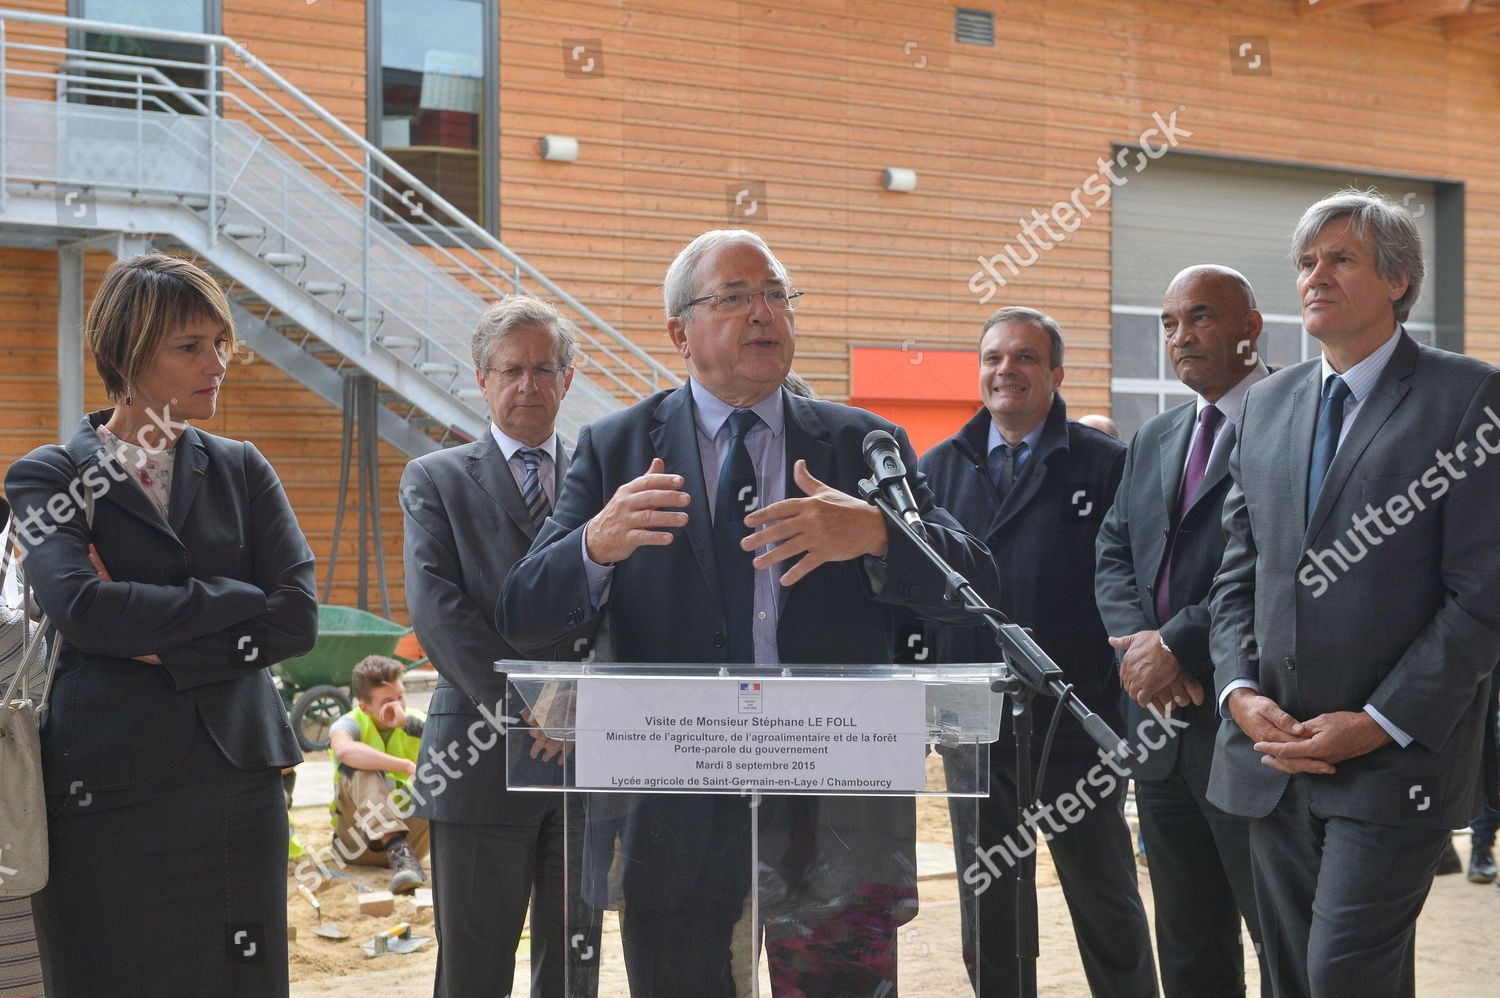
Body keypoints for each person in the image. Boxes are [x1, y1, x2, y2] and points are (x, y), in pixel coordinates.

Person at [498, 229, 995, 998]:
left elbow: (977, 584)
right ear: (679, 332)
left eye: (776, 296)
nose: (763, 313)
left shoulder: (866, 443)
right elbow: (522, 613)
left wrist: (876, 535)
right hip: (674, 814)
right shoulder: (617, 447)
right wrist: (595, 545)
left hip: (834, 809)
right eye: (733, 298)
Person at [1209, 189, 1500, 998]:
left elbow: (1482, 597)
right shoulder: (1265, 404)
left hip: (1393, 762)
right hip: (1275, 754)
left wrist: (1375, 724)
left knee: (1342, 977)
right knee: (1295, 977)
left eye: (1341, 259)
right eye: (1306, 262)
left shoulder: (1469, 398)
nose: (1315, 276)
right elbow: (1237, 572)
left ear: (1399, 280)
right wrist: (1236, 690)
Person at [5, 253, 316, 995]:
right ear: (128, 354)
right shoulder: (49, 477)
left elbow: (297, 617)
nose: (217, 362)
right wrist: (235, 596)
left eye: (220, 341)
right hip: (102, 794)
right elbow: (80, 609)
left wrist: (150, 639)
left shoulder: (244, 467)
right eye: (190, 346)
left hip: (237, 783)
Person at [920, 306, 1156, 998]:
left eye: (1024, 358)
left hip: (1075, 725)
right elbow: (921, 599)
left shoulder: (1108, 466)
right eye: (994, 358)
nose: (1006, 371)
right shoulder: (937, 470)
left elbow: (1134, 588)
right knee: (992, 907)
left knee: (1105, 897)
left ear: (1056, 374)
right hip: (977, 731)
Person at [400, 295, 600, 997]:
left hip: (587, 760)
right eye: (511, 370)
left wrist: (583, 697)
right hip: (480, 762)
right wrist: (531, 706)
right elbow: (438, 613)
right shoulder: (435, 480)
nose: (528, 386)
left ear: (568, 379)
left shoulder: (602, 482)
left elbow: (626, 605)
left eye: (544, 369)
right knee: (474, 973)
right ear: (482, 380)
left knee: (574, 971)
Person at [1095, 266, 1270, 996]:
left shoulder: (1294, 417)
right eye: (1168, 323)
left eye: (1199, 317)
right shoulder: (1158, 435)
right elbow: (1112, 551)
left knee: (1281, 933)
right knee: (1190, 942)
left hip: (1248, 724)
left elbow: (1277, 563)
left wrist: (1177, 645)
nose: (1180, 335)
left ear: (1249, 328)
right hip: (1159, 728)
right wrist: (1141, 647)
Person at [328, 655, 430, 893]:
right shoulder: (349, 723)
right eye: (387, 701)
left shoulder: (417, 721)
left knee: (447, 767)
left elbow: (451, 745)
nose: (398, 705)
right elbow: (344, 750)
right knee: (358, 765)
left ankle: (407, 853)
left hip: (414, 844)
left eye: (401, 696)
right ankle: (396, 848)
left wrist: (408, 725)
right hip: (358, 843)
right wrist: (403, 765)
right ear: (364, 706)